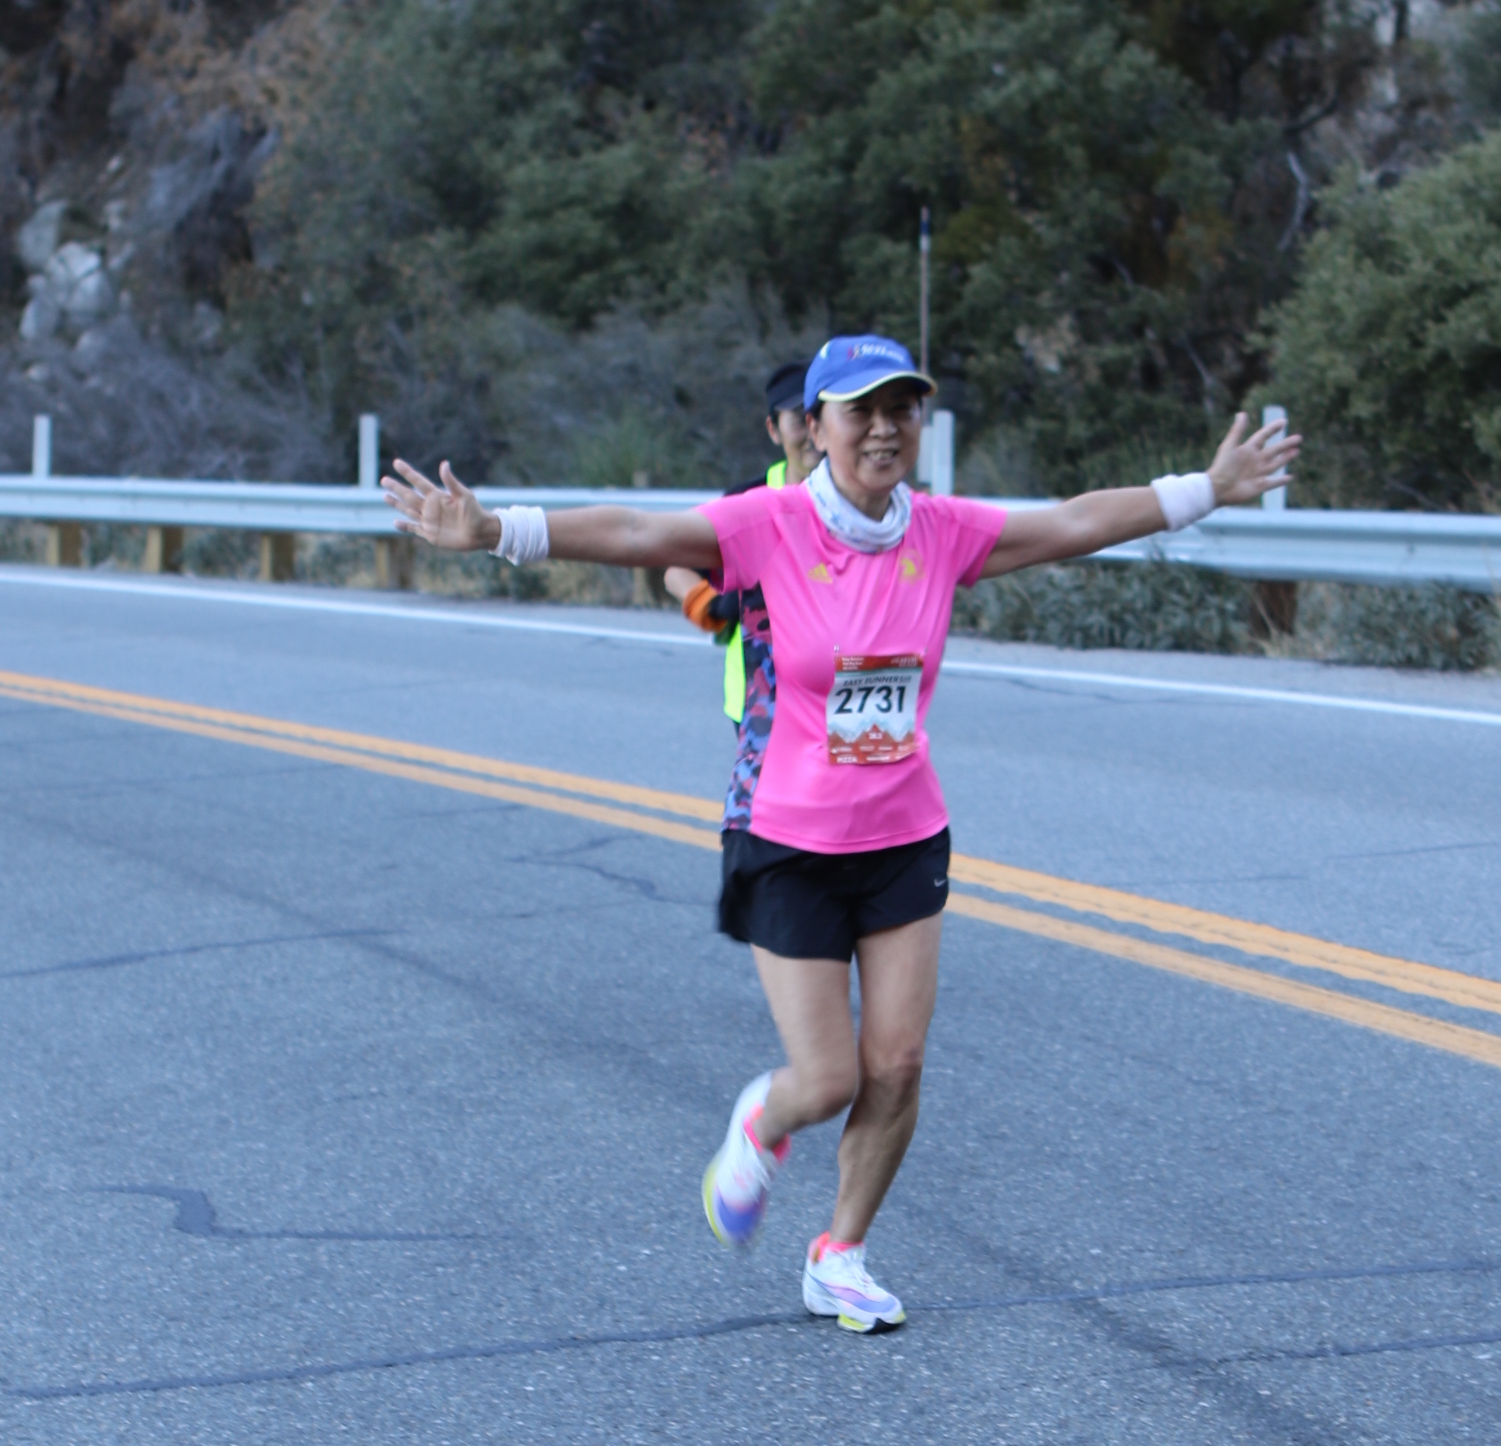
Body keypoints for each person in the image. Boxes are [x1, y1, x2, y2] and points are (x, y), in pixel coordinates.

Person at [382, 336, 1298, 1331]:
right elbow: (640, 532)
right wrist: (495, 532)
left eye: (901, 409)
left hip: (904, 834)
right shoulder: (768, 522)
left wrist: (1205, 489)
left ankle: (841, 1256)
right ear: (814, 428)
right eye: (859, 411)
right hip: (789, 838)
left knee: (897, 1065)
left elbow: (1072, 521)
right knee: (825, 1081)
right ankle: (762, 1121)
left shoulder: (941, 532)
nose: (883, 429)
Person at [664, 362, 813, 840]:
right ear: (774, 429)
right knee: (778, 828)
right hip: (761, 702)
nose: (811, 431)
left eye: (821, 415)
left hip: (841, 696)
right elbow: (674, 564)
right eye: (798, 419)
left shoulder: (862, 500)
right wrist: (705, 602)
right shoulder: (747, 500)